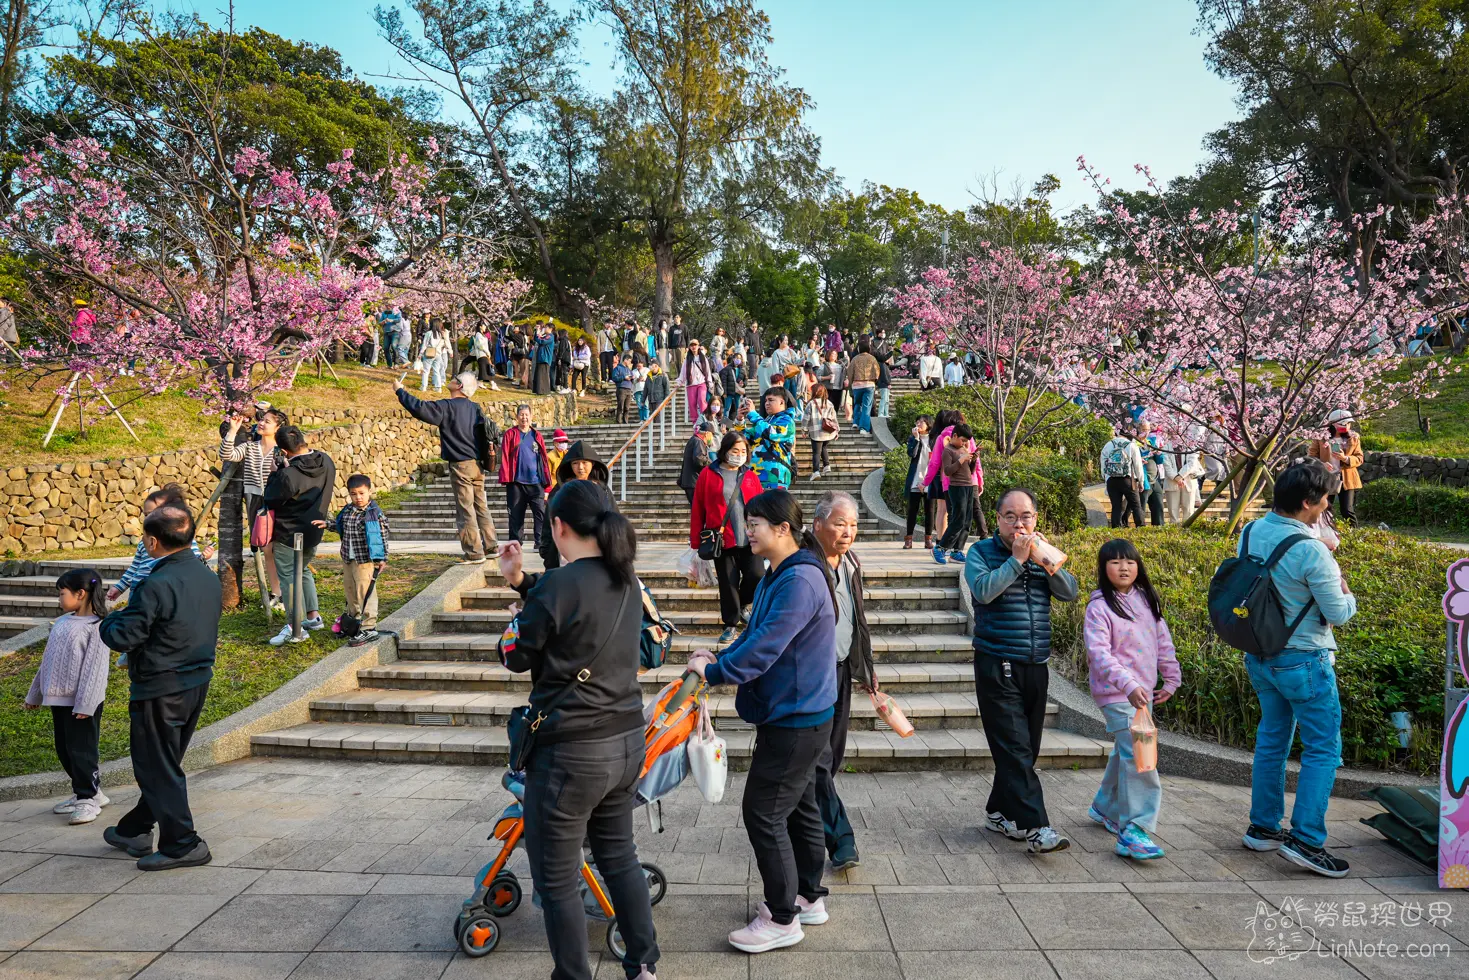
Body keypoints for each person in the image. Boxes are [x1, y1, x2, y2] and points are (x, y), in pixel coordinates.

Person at [496, 480, 660, 980]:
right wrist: (521, 582)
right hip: (627, 742)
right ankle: (643, 966)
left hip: (571, 755)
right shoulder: (628, 580)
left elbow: (517, 657)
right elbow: (572, 609)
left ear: (559, 526)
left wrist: (512, 621)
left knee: (557, 877)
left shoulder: (560, 586)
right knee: (619, 857)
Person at [686, 490, 836, 954]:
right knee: (801, 806)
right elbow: (755, 635)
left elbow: (766, 645)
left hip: (796, 718)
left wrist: (713, 671)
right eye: (747, 522)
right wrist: (722, 654)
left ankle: (782, 917)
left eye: (754, 524)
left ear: (782, 529)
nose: (747, 530)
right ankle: (808, 896)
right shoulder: (783, 573)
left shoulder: (798, 582)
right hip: (803, 712)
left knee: (763, 812)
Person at [1237, 461, 1357, 877]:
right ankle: (1306, 840)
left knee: (1272, 740)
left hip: (1261, 656)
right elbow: (1339, 612)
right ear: (1309, 503)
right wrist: (1340, 577)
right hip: (1305, 660)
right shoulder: (1311, 550)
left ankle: (1264, 828)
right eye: (1325, 498)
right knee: (1324, 749)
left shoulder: (1250, 532)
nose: (1329, 504)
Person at [99, 504, 220, 870]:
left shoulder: (155, 583)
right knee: (163, 764)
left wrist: (106, 618)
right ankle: (134, 829)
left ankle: (184, 844)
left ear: (152, 542)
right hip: (196, 681)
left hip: (161, 686)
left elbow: (123, 635)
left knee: (156, 767)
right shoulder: (205, 574)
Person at [964, 488, 1079, 854]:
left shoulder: (1040, 551)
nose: (1019, 523)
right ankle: (1036, 827)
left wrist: (1046, 559)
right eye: (1010, 516)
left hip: (1036, 663)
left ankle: (998, 811)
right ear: (997, 519)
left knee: (1024, 750)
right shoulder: (981, 552)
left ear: (1036, 518)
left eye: (1026, 515)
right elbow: (982, 592)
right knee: (1014, 748)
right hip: (997, 662)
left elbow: (1070, 592)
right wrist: (1015, 560)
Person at [1082, 538, 1180, 861]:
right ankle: (1133, 829)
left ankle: (1106, 807)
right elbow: (1099, 654)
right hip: (1117, 693)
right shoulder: (1099, 608)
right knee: (1142, 755)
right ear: (1103, 568)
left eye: (1130, 561)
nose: (1124, 567)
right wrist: (1127, 684)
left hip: (1142, 693)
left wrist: (1172, 676)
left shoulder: (1145, 601)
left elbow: (1162, 641)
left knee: (1127, 750)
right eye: (1115, 562)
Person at [809, 491, 877, 871]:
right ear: (817, 524)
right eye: (840, 523)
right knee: (818, 760)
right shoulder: (803, 564)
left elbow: (857, 620)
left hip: (839, 670)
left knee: (829, 757)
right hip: (810, 675)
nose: (848, 531)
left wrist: (864, 669)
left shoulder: (850, 561)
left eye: (853, 524)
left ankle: (805, 819)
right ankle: (841, 838)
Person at [25, 568, 111, 825]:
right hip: (58, 700)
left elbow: (95, 669)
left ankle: (88, 799)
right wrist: (35, 694)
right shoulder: (62, 623)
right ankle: (87, 792)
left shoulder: (97, 627)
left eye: (62, 594)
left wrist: (86, 703)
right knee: (65, 749)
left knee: (82, 750)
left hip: (82, 703)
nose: (59, 599)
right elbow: (47, 661)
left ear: (81, 593)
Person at [397, 372, 499, 565]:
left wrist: (400, 392)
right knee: (481, 506)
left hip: (460, 464)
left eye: (455, 379)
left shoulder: (448, 406)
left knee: (465, 509)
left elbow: (420, 408)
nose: (450, 380)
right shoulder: (475, 408)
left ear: (459, 386)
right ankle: (491, 546)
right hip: (478, 464)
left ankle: (474, 552)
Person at [263, 426, 337, 643]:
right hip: (315, 529)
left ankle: (295, 627)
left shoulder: (288, 475)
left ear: (284, 451)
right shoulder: (326, 461)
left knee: (288, 577)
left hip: (289, 533)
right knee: (302, 570)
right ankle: (312, 617)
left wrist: (274, 473)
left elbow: (271, 498)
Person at [691, 431, 765, 643]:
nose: (739, 455)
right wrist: (696, 541)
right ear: (725, 451)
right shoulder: (708, 474)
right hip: (722, 540)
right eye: (735, 450)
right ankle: (731, 624)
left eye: (743, 451)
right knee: (728, 582)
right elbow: (698, 509)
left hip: (751, 538)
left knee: (757, 575)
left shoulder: (750, 475)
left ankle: (743, 605)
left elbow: (761, 506)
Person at [108, 485, 212, 610]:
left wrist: (205, 557)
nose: (148, 518)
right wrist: (119, 587)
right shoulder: (144, 543)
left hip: (160, 596)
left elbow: (192, 565)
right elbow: (134, 568)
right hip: (137, 593)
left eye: (153, 514)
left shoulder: (183, 543)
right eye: (146, 514)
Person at [319, 475, 390, 646]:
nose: (358, 497)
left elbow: (382, 536)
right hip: (348, 557)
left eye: (361, 493)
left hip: (365, 559)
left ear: (369, 492)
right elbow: (342, 526)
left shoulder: (374, 514)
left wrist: (381, 558)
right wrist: (327, 524)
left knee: (365, 592)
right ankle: (354, 622)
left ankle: (369, 627)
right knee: (351, 591)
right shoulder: (348, 510)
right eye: (354, 494)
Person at [499, 403, 553, 548]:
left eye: (527, 415)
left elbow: (543, 458)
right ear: (517, 417)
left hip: (536, 482)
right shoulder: (511, 434)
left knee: (540, 514)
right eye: (521, 415)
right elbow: (504, 455)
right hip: (516, 482)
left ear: (531, 417)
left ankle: (540, 542)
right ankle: (516, 543)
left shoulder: (537, 435)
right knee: (515, 515)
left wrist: (546, 481)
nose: (524, 418)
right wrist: (506, 477)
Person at [936, 423, 981, 564]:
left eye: (966, 441)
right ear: (954, 436)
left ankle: (957, 551)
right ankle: (940, 548)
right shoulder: (948, 451)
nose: (964, 443)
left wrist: (973, 459)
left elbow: (970, 470)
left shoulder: (962, 449)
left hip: (968, 487)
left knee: (967, 521)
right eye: (962, 440)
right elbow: (948, 471)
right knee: (958, 520)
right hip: (957, 488)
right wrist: (961, 459)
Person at [1310, 409, 1363, 524]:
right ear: (1333, 423)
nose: (1347, 426)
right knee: (1324, 508)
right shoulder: (1321, 436)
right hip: (1326, 476)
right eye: (1343, 423)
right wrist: (1322, 464)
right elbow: (1311, 456)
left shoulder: (1353, 437)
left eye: (1349, 423)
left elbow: (1359, 458)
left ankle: (1352, 535)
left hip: (1347, 478)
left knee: (1347, 510)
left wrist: (1345, 458)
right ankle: (1326, 532)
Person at [742, 387, 798, 491]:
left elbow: (771, 433)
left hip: (776, 477)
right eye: (765, 400)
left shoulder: (787, 421)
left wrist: (753, 415)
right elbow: (745, 439)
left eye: (771, 400)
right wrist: (740, 420)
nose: (766, 403)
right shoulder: (764, 422)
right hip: (756, 475)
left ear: (782, 402)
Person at [1100, 426, 1146, 529]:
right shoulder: (1131, 446)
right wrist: (1141, 481)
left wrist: (1106, 478)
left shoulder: (1108, 445)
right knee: (1136, 505)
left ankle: (1116, 530)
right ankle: (1141, 528)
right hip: (1127, 480)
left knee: (1116, 507)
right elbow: (1138, 465)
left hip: (1112, 480)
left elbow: (1103, 464)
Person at [903, 416, 934, 549]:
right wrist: (916, 439)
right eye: (917, 422)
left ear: (928, 424)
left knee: (930, 511)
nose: (918, 424)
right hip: (916, 480)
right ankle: (909, 539)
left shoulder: (934, 440)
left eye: (921, 422)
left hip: (930, 481)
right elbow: (912, 454)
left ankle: (928, 539)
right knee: (912, 511)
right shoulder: (913, 439)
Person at [804, 382, 838, 480]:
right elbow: (834, 418)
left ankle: (816, 471)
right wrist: (837, 431)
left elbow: (806, 418)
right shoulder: (829, 403)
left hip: (816, 432)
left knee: (816, 452)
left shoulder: (811, 403)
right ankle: (827, 466)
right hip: (827, 431)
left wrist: (804, 429)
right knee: (824, 448)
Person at [1163, 444, 1204, 523]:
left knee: (1188, 511)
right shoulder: (1166, 445)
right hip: (1172, 482)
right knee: (1173, 511)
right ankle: (1174, 533)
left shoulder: (1191, 444)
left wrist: (1181, 475)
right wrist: (1176, 477)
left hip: (1188, 481)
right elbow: (1166, 465)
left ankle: (1187, 532)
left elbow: (1192, 463)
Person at [678, 422, 717, 504]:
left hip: (691, 482)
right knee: (698, 510)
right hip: (694, 482)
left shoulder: (694, 440)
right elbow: (699, 459)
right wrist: (713, 464)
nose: (712, 438)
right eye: (712, 435)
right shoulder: (698, 441)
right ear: (707, 434)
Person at [1135, 422, 1165, 527]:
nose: (1146, 432)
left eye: (1148, 430)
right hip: (1143, 480)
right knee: (1141, 506)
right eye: (1144, 429)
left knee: (1158, 505)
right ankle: (1141, 527)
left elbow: (1160, 461)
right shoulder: (1134, 443)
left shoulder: (1151, 442)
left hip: (1155, 479)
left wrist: (1158, 453)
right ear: (1138, 429)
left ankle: (1159, 527)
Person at [846, 339, 879, 433]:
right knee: (866, 406)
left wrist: (852, 382)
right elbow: (877, 372)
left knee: (857, 403)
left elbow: (850, 372)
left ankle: (855, 422)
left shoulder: (855, 359)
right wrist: (874, 380)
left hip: (857, 385)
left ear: (859, 349)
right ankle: (864, 428)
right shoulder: (872, 358)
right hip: (869, 384)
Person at [678, 337, 714, 420]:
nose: (693, 347)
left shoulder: (703, 358)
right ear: (690, 347)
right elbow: (683, 372)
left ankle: (704, 419)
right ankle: (695, 422)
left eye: (695, 345)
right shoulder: (687, 359)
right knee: (692, 404)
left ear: (698, 346)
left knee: (702, 400)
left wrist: (710, 382)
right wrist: (679, 382)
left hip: (701, 383)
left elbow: (707, 371)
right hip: (691, 384)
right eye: (691, 345)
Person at [417, 319, 450, 392]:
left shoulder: (429, 333)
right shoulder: (442, 334)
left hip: (429, 354)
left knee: (426, 371)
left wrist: (420, 354)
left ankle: (424, 386)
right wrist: (450, 351)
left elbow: (424, 345)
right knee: (436, 371)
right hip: (438, 355)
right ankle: (438, 387)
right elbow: (446, 344)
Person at [719, 353, 746, 421]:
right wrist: (724, 392)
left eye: (739, 358)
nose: (738, 360)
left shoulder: (742, 369)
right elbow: (724, 381)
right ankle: (725, 425)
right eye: (736, 358)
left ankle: (738, 423)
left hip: (738, 392)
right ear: (733, 359)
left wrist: (743, 384)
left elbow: (746, 380)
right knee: (727, 408)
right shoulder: (727, 369)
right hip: (729, 392)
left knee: (738, 408)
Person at [873, 330, 893, 418]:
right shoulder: (874, 342)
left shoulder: (885, 343)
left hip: (885, 380)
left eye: (884, 332)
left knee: (886, 399)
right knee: (884, 398)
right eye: (881, 332)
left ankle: (885, 413)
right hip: (883, 381)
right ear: (878, 333)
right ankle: (881, 413)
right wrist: (888, 383)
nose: (883, 334)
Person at [533, 324, 556, 395]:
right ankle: (538, 390)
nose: (544, 329)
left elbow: (542, 341)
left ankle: (544, 391)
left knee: (543, 375)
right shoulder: (545, 336)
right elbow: (537, 339)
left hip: (545, 357)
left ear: (550, 329)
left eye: (546, 327)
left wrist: (538, 334)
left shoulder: (550, 336)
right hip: (541, 357)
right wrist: (536, 332)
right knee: (539, 374)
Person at [612, 353, 635, 423]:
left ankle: (626, 421)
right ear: (625, 360)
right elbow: (614, 378)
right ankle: (619, 421)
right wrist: (623, 377)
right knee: (620, 406)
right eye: (629, 361)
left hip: (629, 389)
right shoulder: (617, 368)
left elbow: (632, 378)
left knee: (627, 407)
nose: (630, 363)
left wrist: (632, 378)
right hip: (621, 389)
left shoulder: (628, 369)